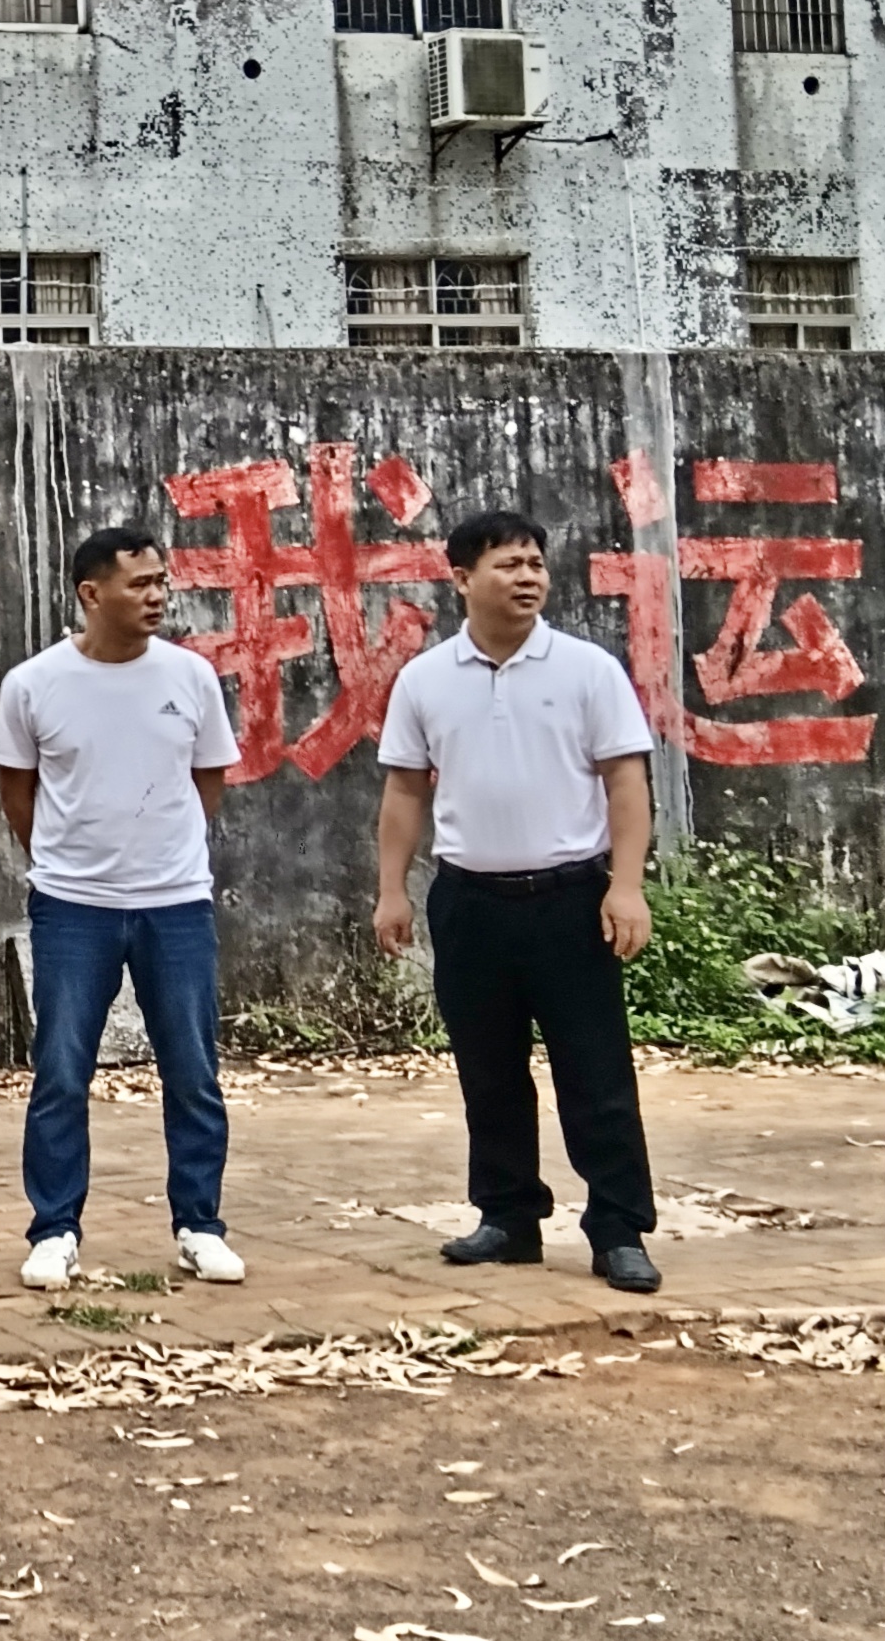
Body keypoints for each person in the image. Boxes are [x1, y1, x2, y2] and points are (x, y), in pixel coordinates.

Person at [373, 508, 664, 1295]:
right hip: (469, 901)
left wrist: (627, 885)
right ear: (462, 579)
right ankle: (508, 1218)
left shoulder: (587, 670)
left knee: (595, 1071)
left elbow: (626, 782)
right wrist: (392, 890)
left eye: (535, 563)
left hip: (571, 898)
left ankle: (618, 1229)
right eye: (509, 564)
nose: (528, 577)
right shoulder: (426, 679)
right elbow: (405, 789)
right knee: (489, 1070)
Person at [0, 525, 246, 1293]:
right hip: (73, 907)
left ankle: (200, 1226)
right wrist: (65, 861)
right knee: (61, 1071)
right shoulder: (34, 684)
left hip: (176, 904)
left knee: (192, 1071)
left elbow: (207, 780)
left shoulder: (190, 676)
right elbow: (17, 790)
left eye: (161, 581)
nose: (157, 596)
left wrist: (166, 854)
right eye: (140, 584)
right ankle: (54, 1230)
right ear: (90, 593)